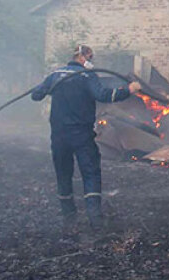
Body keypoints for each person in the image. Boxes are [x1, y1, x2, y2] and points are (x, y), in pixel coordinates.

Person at [31, 44, 141, 229]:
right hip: (81, 135)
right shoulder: (87, 76)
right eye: (90, 58)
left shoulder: (56, 75)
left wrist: (49, 88)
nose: (91, 61)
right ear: (82, 57)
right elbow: (102, 95)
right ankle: (95, 219)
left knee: (63, 173)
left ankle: (69, 217)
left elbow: (36, 95)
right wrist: (128, 90)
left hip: (59, 136)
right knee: (90, 173)